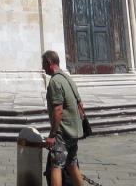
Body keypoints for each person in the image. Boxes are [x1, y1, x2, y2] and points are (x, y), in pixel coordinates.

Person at [42, 50, 86, 186]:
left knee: (56, 166)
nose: (43, 68)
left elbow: (58, 110)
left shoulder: (55, 81)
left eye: (43, 65)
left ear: (49, 63)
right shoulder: (68, 78)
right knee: (72, 164)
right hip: (75, 130)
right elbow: (80, 105)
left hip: (63, 132)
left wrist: (52, 135)